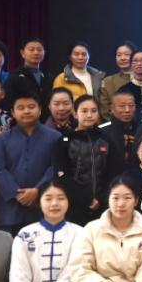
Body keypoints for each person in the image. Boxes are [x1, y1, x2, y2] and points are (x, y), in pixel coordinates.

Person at [0, 94, 59, 233]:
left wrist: (38, 190)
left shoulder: (55, 137)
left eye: (31, 107)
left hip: (44, 206)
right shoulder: (1, 140)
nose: (26, 111)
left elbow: (56, 167)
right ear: (13, 112)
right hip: (10, 211)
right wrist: (17, 193)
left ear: (40, 110)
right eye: (21, 108)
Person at [52, 96, 111, 225]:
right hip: (73, 206)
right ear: (75, 113)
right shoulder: (65, 140)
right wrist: (86, 199)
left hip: (102, 205)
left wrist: (101, 198)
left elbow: (112, 172)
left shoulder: (105, 139)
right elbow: (61, 176)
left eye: (93, 111)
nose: (89, 115)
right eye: (84, 111)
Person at [5, 38, 51, 116]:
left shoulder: (48, 77)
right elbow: (8, 102)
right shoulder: (15, 76)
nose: (36, 52)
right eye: (31, 49)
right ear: (22, 53)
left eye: (39, 50)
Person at [100, 90, 140, 176]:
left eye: (131, 106)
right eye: (122, 106)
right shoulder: (102, 132)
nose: (127, 110)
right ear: (112, 108)